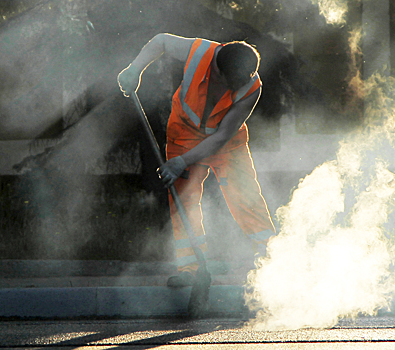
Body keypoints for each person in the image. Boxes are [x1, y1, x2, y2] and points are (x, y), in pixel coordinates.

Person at [117, 34, 276, 287]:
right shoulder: (200, 52)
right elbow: (159, 41)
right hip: (184, 135)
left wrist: (182, 162)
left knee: (246, 199)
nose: (238, 87)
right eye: (232, 83)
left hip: (228, 146)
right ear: (218, 71)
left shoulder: (252, 87)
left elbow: (222, 135)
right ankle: (190, 270)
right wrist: (134, 69)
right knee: (184, 202)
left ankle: (273, 263)